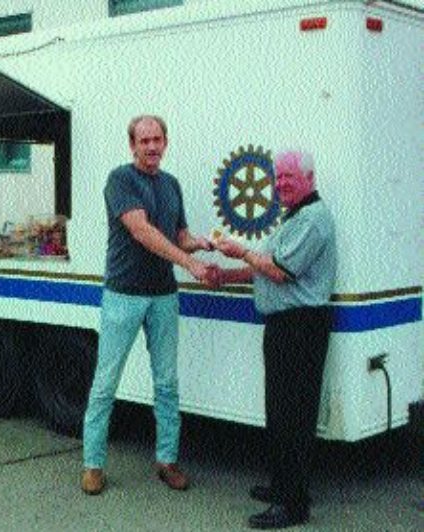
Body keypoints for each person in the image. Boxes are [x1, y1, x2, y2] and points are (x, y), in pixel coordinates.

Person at [81, 115, 219, 495]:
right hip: (123, 294)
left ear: (166, 142)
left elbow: (179, 235)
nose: (152, 146)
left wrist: (203, 244)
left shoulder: (172, 185)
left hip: (163, 296)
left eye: (157, 139)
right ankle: (93, 465)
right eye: (144, 141)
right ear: (132, 146)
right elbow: (142, 231)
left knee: (167, 383)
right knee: (106, 383)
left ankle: (167, 460)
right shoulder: (120, 180)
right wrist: (188, 263)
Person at [212, 150, 337, 529]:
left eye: (289, 177)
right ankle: (282, 485)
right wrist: (225, 275)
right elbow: (262, 269)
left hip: (301, 326)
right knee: (280, 411)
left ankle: (293, 505)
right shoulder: (294, 218)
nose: (281, 184)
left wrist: (240, 249)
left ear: (309, 178)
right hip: (285, 327)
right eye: (278, 177)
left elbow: (279, 271)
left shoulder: (314, 219)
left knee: (294, 416)